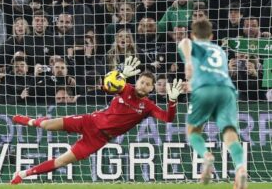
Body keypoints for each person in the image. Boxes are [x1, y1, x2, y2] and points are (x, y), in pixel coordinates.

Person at [10, 56, 182, 184]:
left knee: (61, 161)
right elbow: (107, 85)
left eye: (147, 84)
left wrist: (172, 101)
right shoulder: (124, 88)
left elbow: (167, 118)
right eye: (141, 82)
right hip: (89, 121)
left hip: (98, 139)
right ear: (136, 82)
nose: (143, 86)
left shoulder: (148, 106)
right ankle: (29, 121)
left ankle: (23, 174)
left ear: (152, 89)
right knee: (47, 125)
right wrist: (120, 73)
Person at [178, 19, 248, 188]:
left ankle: (206, 156)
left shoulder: (193, 44)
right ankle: (240, 167)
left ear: (193, 35)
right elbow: (212, 72)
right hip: (227, 90)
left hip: (204, 90)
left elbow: (184, 42)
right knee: (230, 132)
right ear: (211, 36)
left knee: (193, 131)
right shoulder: (219, 51)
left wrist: (188, 62)